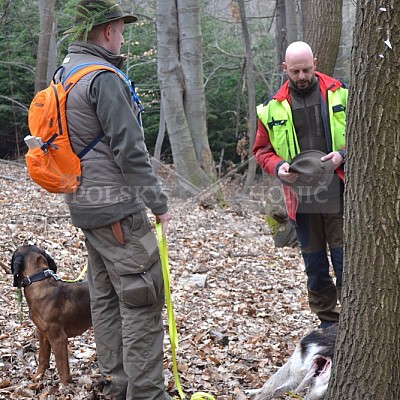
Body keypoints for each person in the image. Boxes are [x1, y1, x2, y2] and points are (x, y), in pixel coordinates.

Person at [61, 1, 172, 399]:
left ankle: (116, 386)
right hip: (117, 213)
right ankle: (146, 394)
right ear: (107, 31)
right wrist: (157, 201)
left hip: (83, 206)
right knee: (142, 298)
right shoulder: (103, 78)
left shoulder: (66, 73)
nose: (123, 37)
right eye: (121, 30)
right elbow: (129, 149)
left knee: (105, 297)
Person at [253, 41, 347, 328]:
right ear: (285, 69)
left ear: (315, 64)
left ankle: (355, 321)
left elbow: (364, 135)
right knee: (315, 266)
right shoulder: (270, 109)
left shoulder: (341, 93)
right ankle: (328, 323)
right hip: (301, 199)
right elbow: (261, 151)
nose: (302, 76)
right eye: (296, 71)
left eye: (306, 69)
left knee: (346, 261)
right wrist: (278, 167)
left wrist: (342, 155)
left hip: (340, 191)